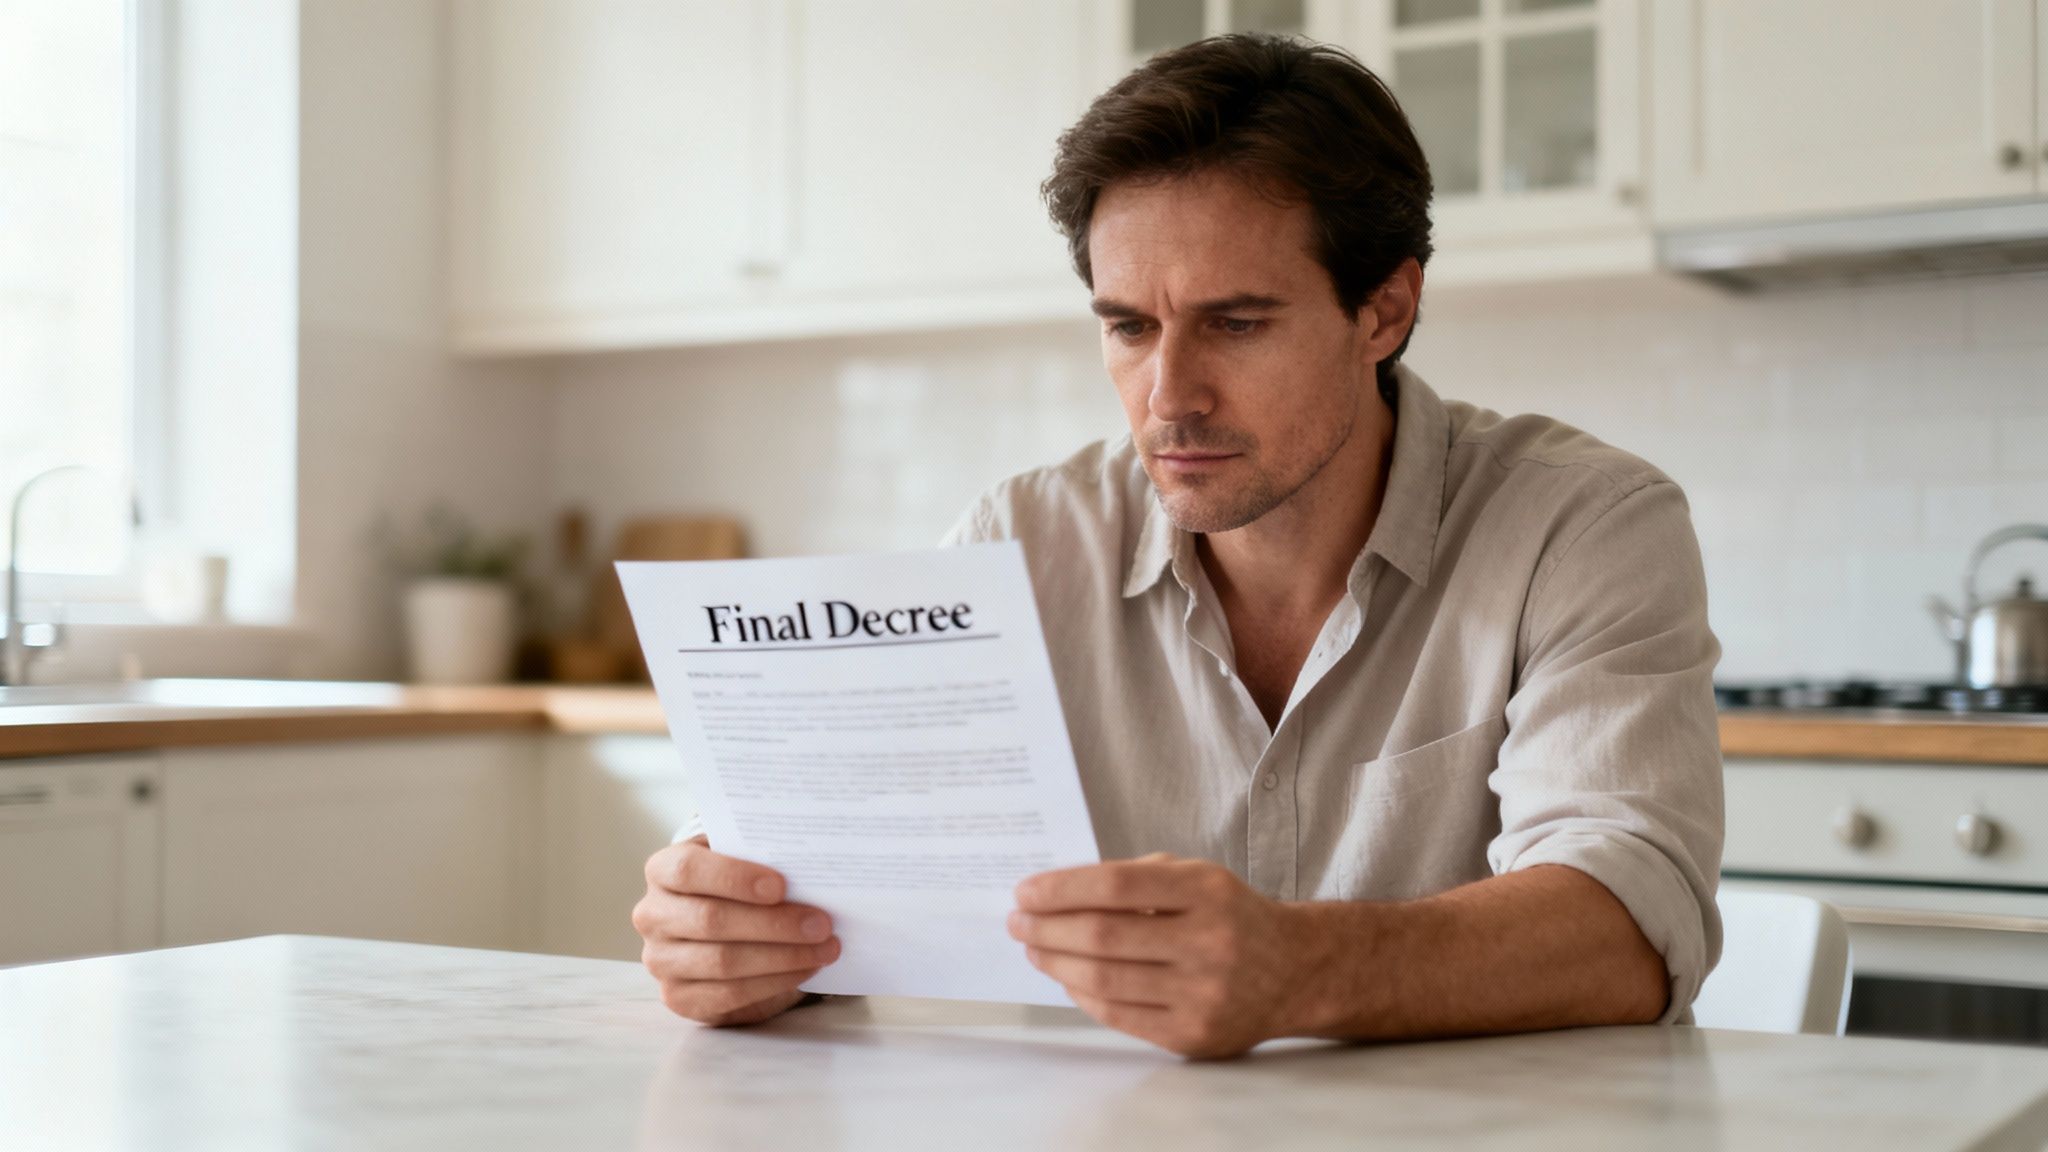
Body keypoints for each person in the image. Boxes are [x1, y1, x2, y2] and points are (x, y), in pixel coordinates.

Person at [632, 33, 1723, 1060]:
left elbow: (1627, 925)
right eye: (1128, 327)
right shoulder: (1019, 542)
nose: (1169, 398)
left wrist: (1296, 969)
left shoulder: (1583, 526)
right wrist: (738, 939)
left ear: (1383, 311)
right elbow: (820, 867)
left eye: (1236, 323)